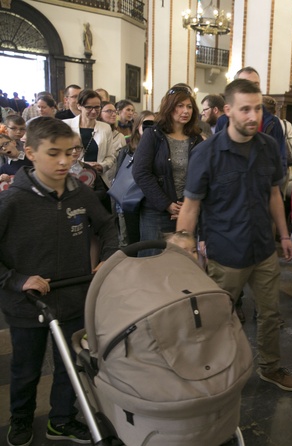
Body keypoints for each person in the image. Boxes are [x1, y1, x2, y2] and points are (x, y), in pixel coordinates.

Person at [176, 79, 292, 392]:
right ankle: (214, 371)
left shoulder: (269, 147)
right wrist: (184, 249)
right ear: (228, 110)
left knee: (270, 315)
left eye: (257, 108)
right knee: (218, 319)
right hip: (225, 252)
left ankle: (270, 367)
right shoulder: (207, 153)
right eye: (245, 109)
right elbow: (191, 206)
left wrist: (284, 235)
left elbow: (274, 193)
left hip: (263, 249)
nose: (253, 116)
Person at [0, 117, 118, 446]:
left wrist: (108, 256)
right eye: (54, 153)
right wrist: (18, 280)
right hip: (27, 305)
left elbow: (107, 226)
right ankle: (21, 418)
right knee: (26, 368)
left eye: (70, 152)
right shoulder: (13, 201)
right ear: (31, 152)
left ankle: (61, 420)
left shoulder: (80, 192)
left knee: (70, 364)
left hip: (73, 296)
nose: (65, 161)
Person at [133, 86, 203, 243]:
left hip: (188, 210)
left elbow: (202, 174)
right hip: (156, 212)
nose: (185, 111)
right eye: (180, 106)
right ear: (169, 107)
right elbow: (140, 172)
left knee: (182, 262)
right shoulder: (153, 134)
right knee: (154, 261)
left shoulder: (196, 138)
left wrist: (187, 205)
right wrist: (166, 204)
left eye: (189, 107)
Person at [214, 67, 288, 177]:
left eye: (256, 84)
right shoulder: (223, 121)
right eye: (246, 84)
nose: (251, 89)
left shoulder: (273, 122)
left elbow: (281, 159)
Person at [63, 89, 121, 188]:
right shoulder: (65, 125)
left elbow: (111, 156)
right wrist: (82, 165)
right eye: (89, 107)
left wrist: (101, 166)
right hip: (71, 180)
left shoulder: (105, 128)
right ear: (79, 106)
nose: (94, 111)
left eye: (97, 107)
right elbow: (61, 155)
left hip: (98, 180)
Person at [116, 110, 155, 246]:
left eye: (154, 124)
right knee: (130, 241)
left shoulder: (159, 148)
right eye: (145, 124)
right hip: (130, 203)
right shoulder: (127, 150)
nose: (150, 128)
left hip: (151, 203)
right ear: (137, 127)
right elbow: (119, 180)